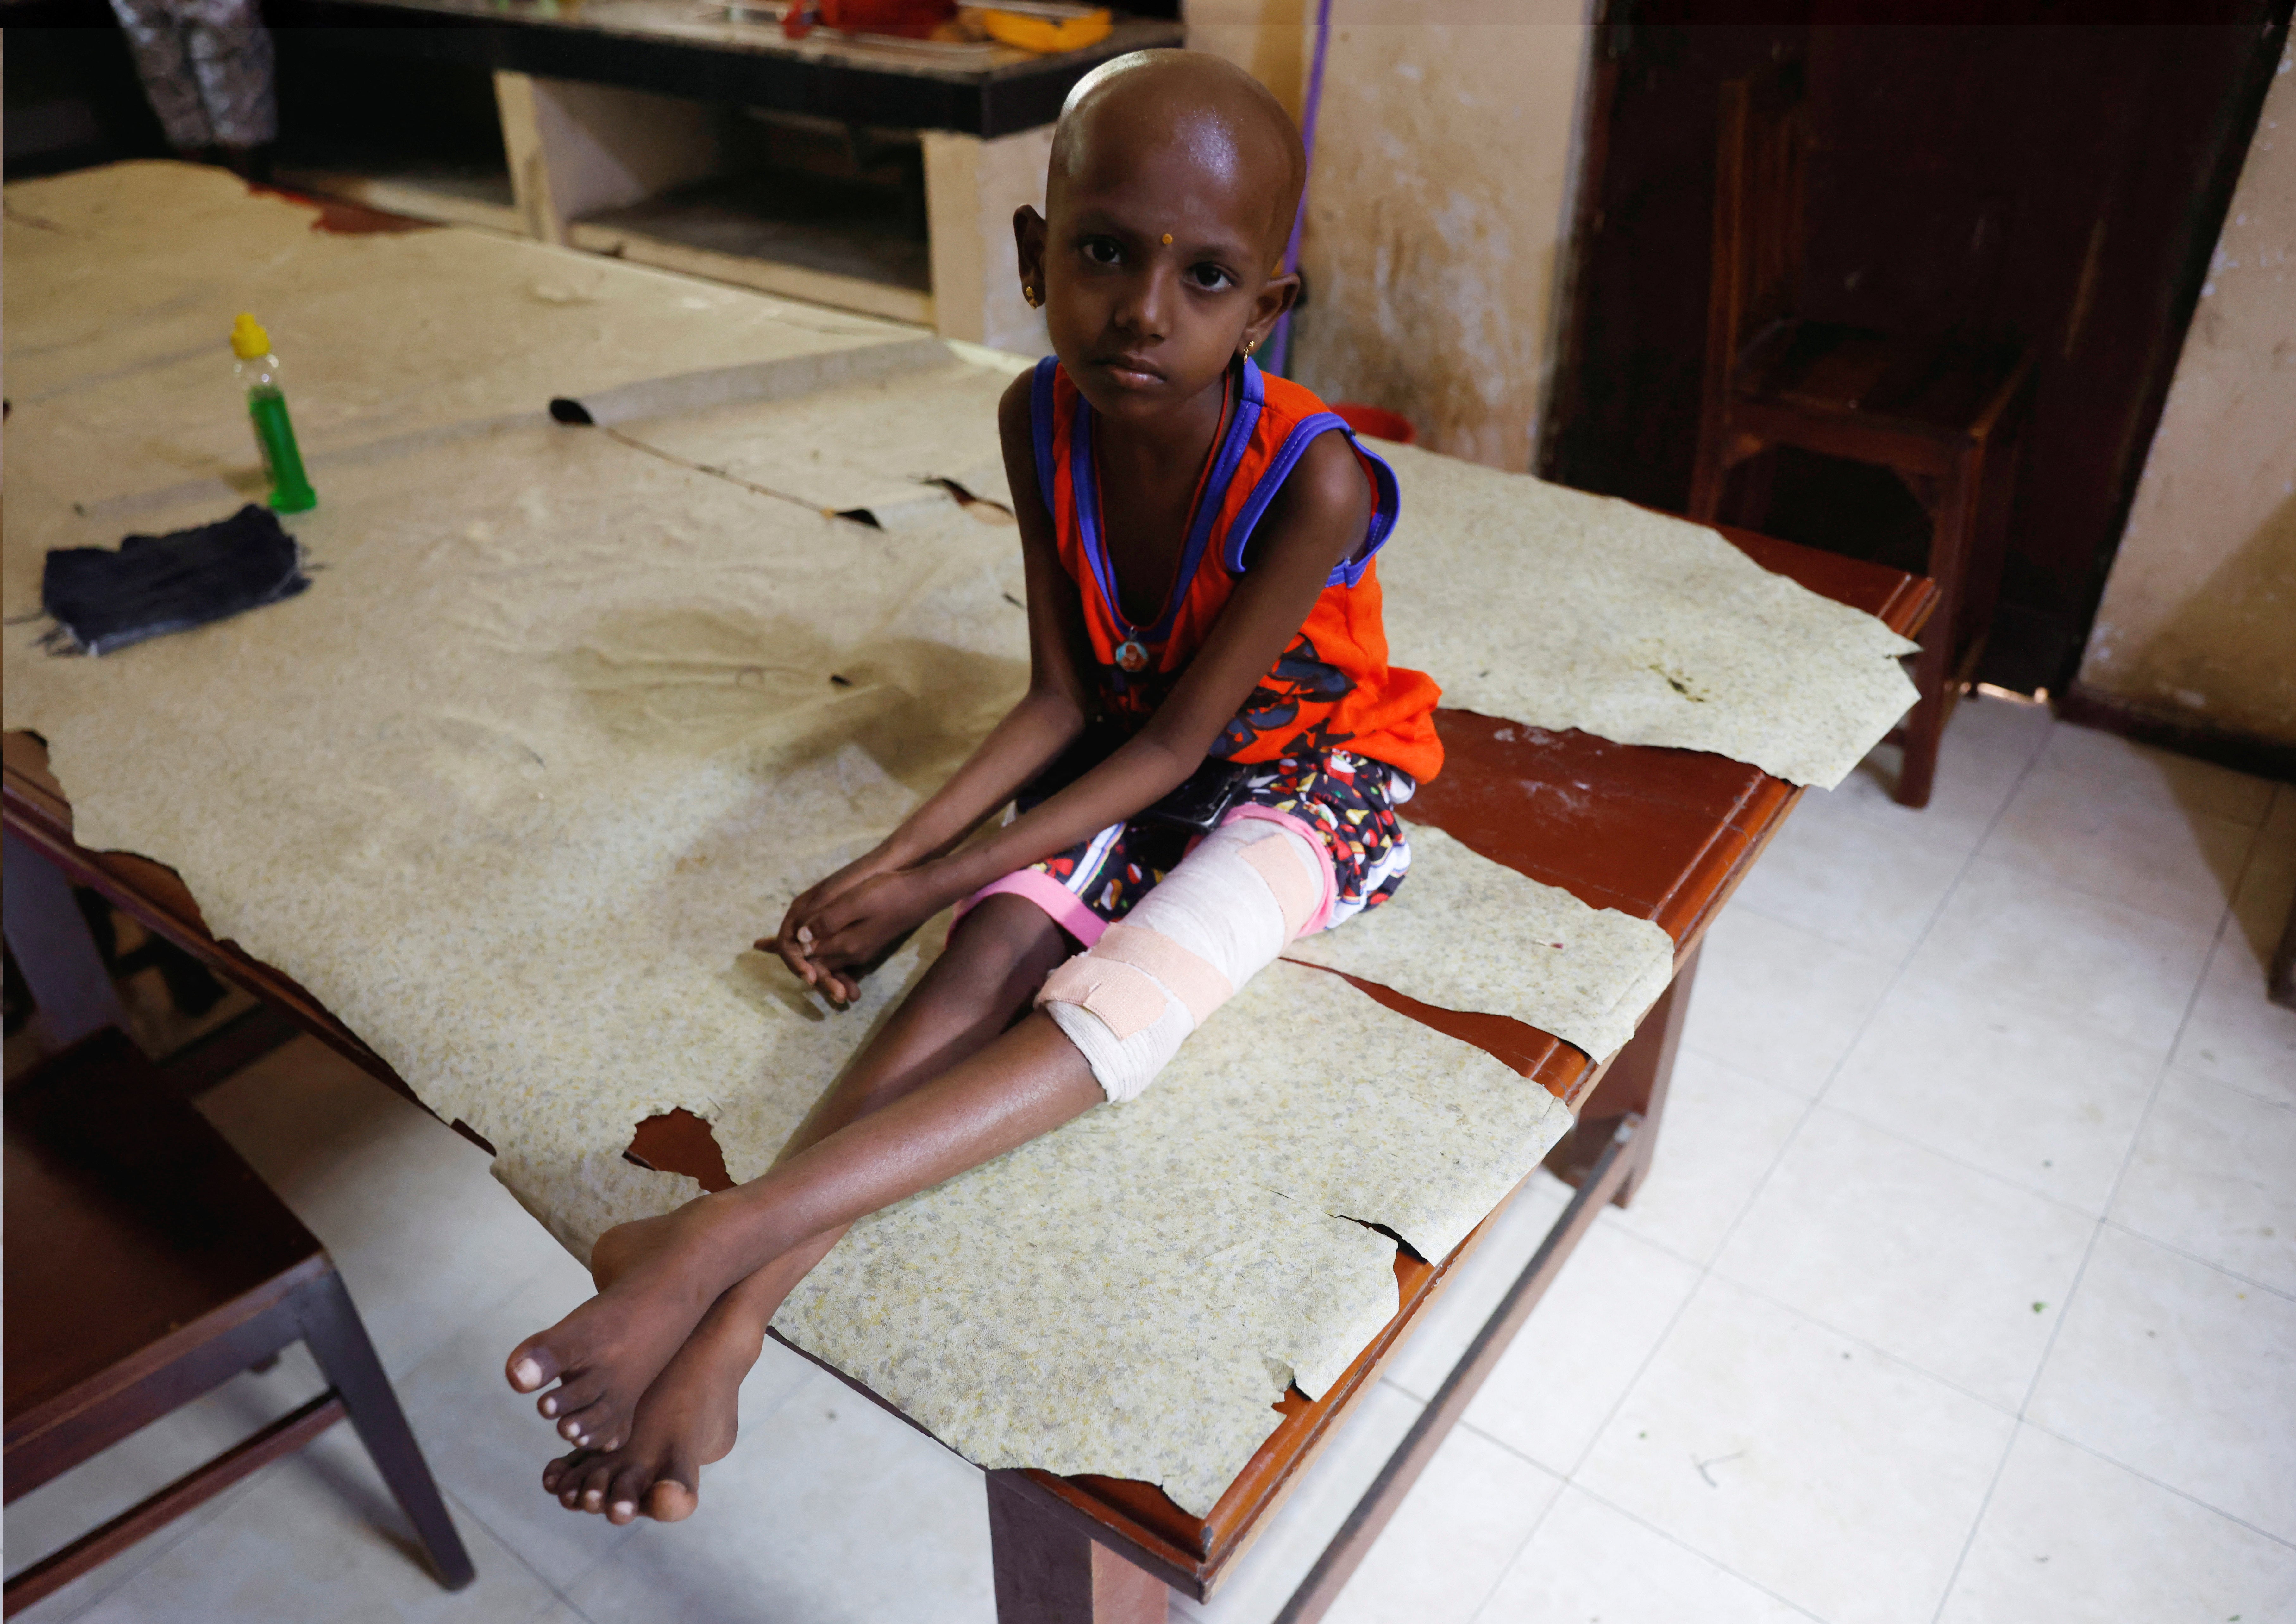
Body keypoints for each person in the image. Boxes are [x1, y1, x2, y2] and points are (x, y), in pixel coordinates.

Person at [508, 47, 1444, 1526]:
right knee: (981, 958)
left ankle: (707, 1257)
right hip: (1126, 735)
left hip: (1305, 775)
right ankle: (735, 1322)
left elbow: (1175, 754)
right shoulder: (1038, 417)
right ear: (1034, 254)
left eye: (1205, 280)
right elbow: (1065, 696)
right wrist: (904, 871)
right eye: (1101, 253)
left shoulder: (1309, 482)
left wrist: (920, 874)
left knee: (1123, 997)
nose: (1142, 310)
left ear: (1266, 310)